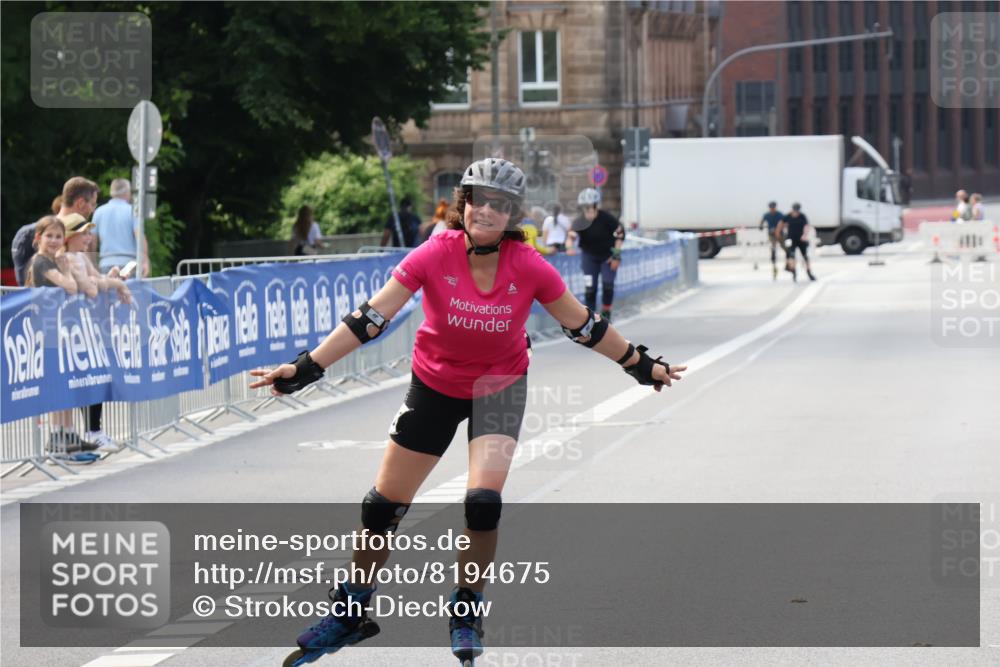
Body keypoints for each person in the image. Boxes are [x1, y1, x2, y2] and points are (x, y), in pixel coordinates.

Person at [250, 158, 686, 665]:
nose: (488, 211)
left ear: (512, 215)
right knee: (382, 507)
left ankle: (465, 612)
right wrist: (306, 367)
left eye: (501, 205)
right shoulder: (435, 253)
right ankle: (350, 613)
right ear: (465, 203)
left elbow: (583, 324)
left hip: (499, 387)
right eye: (480, 200)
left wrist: (638, 364)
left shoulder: (528, 265)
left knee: (482, 504)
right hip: (434, 386)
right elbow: (371, 317)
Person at [25, 216, 101, 464]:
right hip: (47, 333)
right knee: (58, 388)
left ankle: (68, 439)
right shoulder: (41, 262)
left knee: (66, 385)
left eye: (58, 237)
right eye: (49, 236)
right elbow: (70, 286)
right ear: (39, 238)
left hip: (60, 331)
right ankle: (59, 443)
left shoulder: (52, 260)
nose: (54, 241)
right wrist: (67, 269)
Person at [61, 213, 132, 454]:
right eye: (85, 233)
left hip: (86, 326)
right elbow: (92, 288)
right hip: (72, 328)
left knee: (96, 376)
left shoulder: (82, 256)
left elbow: (97, 280)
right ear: (71, 236)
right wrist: (117, 285)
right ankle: (87, 432)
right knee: (85, 378)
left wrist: (112, 278)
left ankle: (94, 430)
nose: (90, 237)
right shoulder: (67, 258)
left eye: (90, 232)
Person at [571, 188, 625, 322]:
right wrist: (568, 245)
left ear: (596, 206)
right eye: (586, 208)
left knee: (608, 285)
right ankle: (591, 319)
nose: (589, 211)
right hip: (589, 257)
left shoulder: (606, 218)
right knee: (590, 289)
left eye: (591, 207)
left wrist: (616, 255)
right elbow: (570, 235)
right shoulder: (579, 221)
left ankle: (606, 313)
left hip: (607, 257)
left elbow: (620, 233)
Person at [92, 177, 150, 276]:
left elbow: (92, 242)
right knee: (127, 291)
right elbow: (139, 236)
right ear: (127, 192)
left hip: (106, 262)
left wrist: (92, 264)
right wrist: (145, 261)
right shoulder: (133, 211)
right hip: (129, 264)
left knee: (109, 291)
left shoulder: (99, 212)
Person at [775, 202, 816, 282]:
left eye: (797, 210)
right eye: (794, 210)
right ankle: (793, 272)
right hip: (791, 239)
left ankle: (809, 272)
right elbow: (781, 223)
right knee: (791, 255)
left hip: (801, 239)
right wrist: (778, 232)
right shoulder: (788, 216)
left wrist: (804, 235)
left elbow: (806, 226)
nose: (795, 212)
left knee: (805, 256)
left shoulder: (802, 216)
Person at [759, 201, 784, 281]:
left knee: (784, 247)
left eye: (773, 208)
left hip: (779, 233)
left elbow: (784, 221)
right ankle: (774, 263)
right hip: (772, 234)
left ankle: (789, 260)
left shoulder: (779, 214)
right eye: (771, 208)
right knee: (773, 247)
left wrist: (779, 229)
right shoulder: (767, 215)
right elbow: (762, 220)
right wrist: (761, 226)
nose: (772, 209)